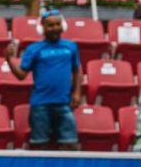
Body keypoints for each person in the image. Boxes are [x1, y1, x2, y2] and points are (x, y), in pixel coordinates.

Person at [5, 11, 84, 150]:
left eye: (57, 24)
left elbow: (77, 70)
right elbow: (21, 75)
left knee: (71, 145)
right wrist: (9, 59)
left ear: (63, 26)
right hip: (40, 105)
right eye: (50, 25)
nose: (54, 28)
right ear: (42, 27)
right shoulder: (33, 49)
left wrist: (77, 93)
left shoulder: (71, 46)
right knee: (40, 145)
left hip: (64, 104)